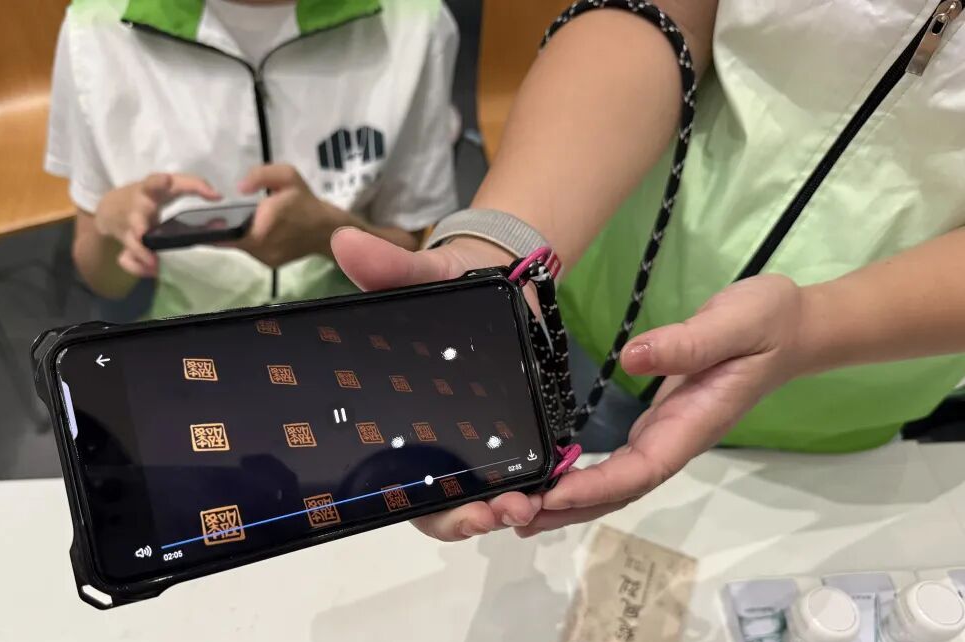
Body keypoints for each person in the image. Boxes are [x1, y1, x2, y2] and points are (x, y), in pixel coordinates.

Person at [329, 0, 965, 540]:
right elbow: (662, 13)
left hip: (852, 389)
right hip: (602, 296)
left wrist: (814, 327)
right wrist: (500, 248)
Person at [46, 0, 458, 318]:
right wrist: (111, 222)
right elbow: (106, 281)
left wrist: (327, 233)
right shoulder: (94, 30)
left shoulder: (414, 20)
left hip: (350, 315)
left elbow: (409, 250)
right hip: (185, 326)